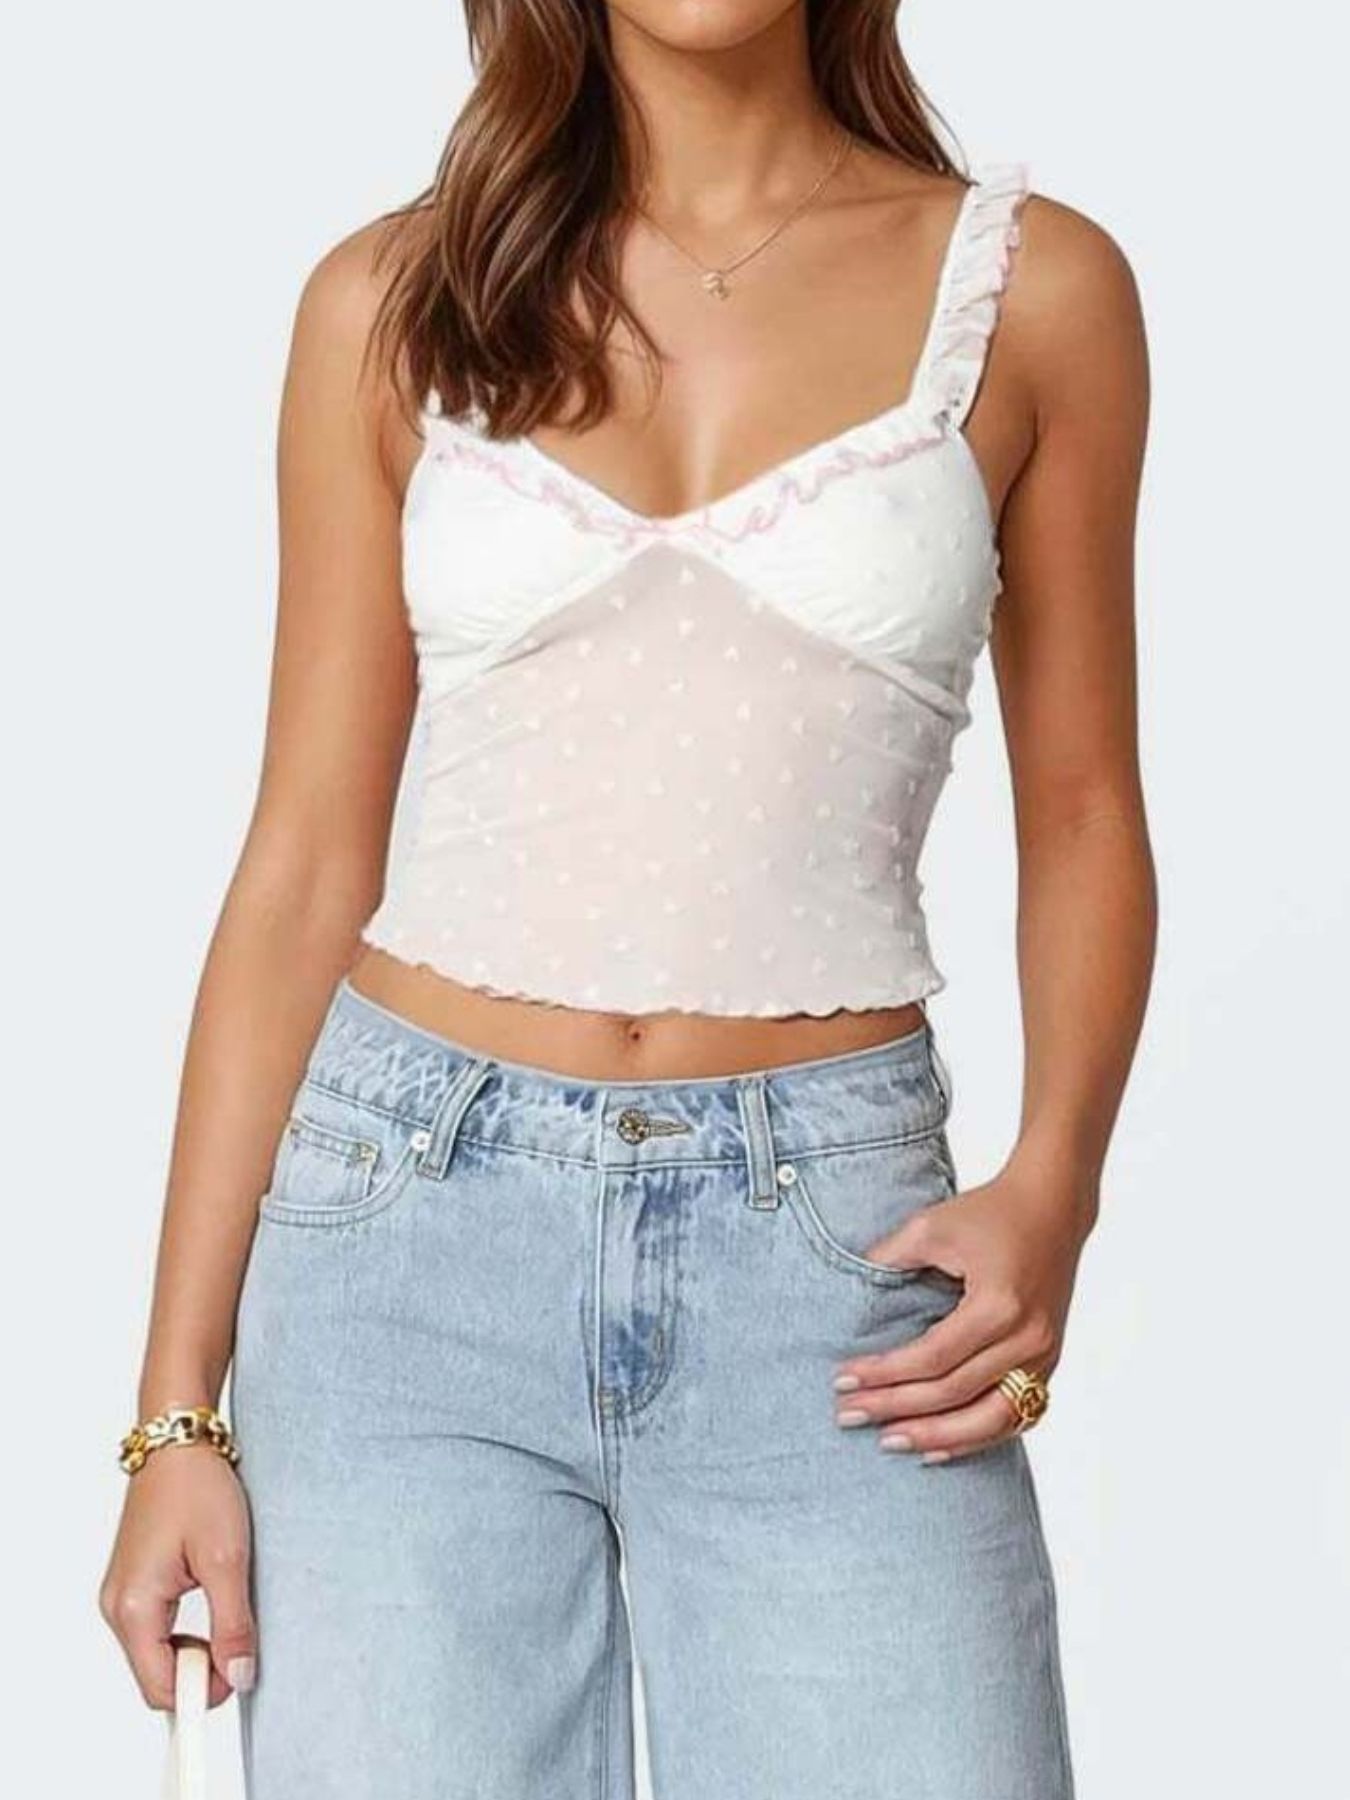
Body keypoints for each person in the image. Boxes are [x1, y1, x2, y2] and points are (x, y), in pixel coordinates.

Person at [99, 4, 1155, 1796]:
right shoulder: (392, 301)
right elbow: (302, 863)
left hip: (834, 1261)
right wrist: (176, 1415)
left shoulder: (1031, 291)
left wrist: (1057, 1176)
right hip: (401, 1255)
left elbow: (1080, 807)